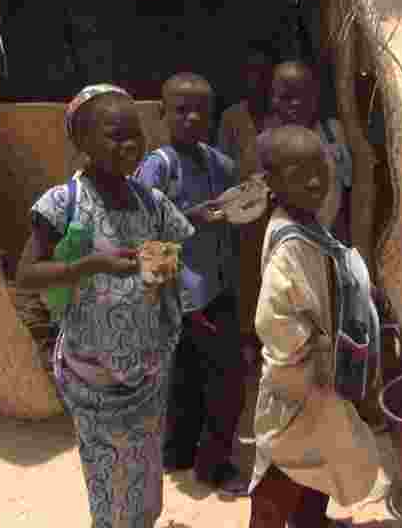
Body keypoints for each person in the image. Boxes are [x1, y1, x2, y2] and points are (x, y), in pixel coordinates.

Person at [15, 84, 195, 528]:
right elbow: (26, 275)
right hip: (92, 375)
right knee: (108, 480)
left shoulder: (152, 204)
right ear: (83, 142)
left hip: (147, 369)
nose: (130, 145)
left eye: (135, 134)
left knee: (144, 475)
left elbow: (166, 268)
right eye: (116, 135)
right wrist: (89, 265)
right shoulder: (64, 203)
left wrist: (163, 302)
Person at [248, 125, 379, 528]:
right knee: (282, 469)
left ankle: (311, 521)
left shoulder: (308, 224)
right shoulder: (290, 245)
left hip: (321, 381)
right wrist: (300, 378)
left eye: (320, 167)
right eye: (296, 173)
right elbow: (277, 322)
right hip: (299, 385)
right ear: (271, 182)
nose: (314, 180)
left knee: (319, 462)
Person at [135, 72, 249, 496]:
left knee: (205, 378)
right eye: (181, 110)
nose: (191, 117)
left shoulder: (219, 164)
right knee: (212, 379)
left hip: (215, 290)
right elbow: (146, 231)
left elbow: (234, 215)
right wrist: (156, 299)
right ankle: (207, 464)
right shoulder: (159, 166)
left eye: (201, 110)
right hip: (179, 297)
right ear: (163, 114)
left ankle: (184, 454)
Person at [218, 43, 280, 369]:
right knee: (245, 276)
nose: (256, 80)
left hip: (276, 209)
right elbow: (223, 163)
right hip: (243, 211)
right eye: (250, 73)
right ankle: (246, 339)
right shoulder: (232, 117)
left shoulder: (280, 116)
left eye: (263, 74)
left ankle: (271, 337)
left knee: (274, 272)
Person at [264, 60, 353, 245]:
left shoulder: (332, 133)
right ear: (273, 100)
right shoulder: (266, 144)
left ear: (315, 97)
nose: (296, 103)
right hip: (293, 245)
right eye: (287, 97)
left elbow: (343, 191)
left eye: (303, 95)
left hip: (331, 242)